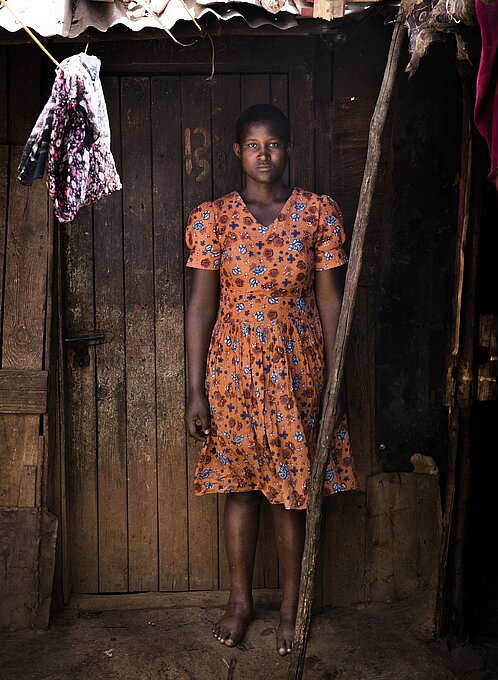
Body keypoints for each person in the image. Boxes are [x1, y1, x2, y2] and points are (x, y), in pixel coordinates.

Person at [184, 104, 357, 656]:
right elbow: (200, 306)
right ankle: (239, 601)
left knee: (289, 493)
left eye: (275, 144)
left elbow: (331, 300)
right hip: (232, 370)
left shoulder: (315, 213)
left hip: (297, 367)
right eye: (253, 144)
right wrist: (195, 390)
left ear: (289, 150)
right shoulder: (213, 218)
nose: (264, 154)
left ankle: (290, 603)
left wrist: (336, 372)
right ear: (237, 152)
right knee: (239, 487)